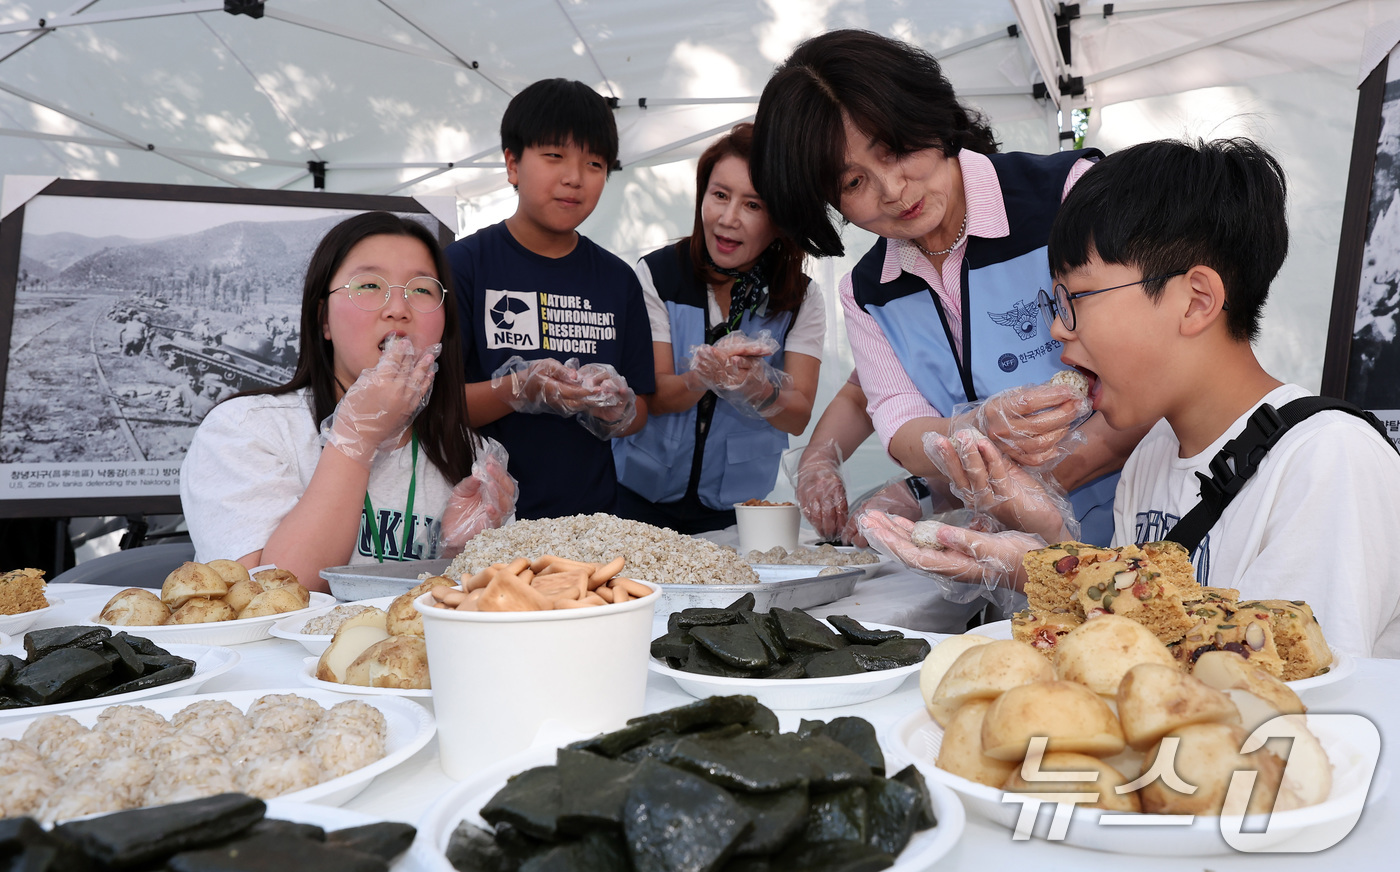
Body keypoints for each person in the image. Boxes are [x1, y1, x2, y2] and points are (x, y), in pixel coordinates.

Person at [862, 138, 1400, 657]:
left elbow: (1283, 680)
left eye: (1078, 297)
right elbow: (1132, 638)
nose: (1057, 328)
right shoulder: (1152, 454)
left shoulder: (1327, 460)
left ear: (1196, 301)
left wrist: (1041, 564)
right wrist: (1045, 547)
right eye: (1057, 301)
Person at [749, 29, 1145, 546]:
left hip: (1151, 527)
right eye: (852, 183)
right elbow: (903, 430)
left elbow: (1152, 373)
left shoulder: (1068, 195)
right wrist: (973, 428)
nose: (893, 190)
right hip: (1020, 565)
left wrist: (1017, 497)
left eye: (895, 150)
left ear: (927, 116)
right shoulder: (867, 295)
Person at [181, 212, 517, 591]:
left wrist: (458, 556)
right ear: (323, 319)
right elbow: (268, 596)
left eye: (422, 289)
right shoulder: (244, 430)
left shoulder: (474, 457)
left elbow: (488, 605)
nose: (398, 308)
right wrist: (356, 438)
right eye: (370, 285)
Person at [446, 78, 654, 520]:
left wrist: (616, 408)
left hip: (591, 523)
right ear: (513, 164)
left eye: (594, 163)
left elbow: (640, 412)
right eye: (554, 156)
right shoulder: (463, 265)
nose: (574, 178)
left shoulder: (618, 279)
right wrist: (520, 388)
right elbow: (437, 406)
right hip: (486, 524)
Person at [612, 123, 823, 533]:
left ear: (781, 218)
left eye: (753, 205)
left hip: (739, 509)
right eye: (720, 195)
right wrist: (703, 376)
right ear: (701, 196)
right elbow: (655, 396)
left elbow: (798, 416)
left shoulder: (800, 297)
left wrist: (758, 387)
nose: (728, 219)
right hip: (639, 497)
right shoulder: (657, 274)